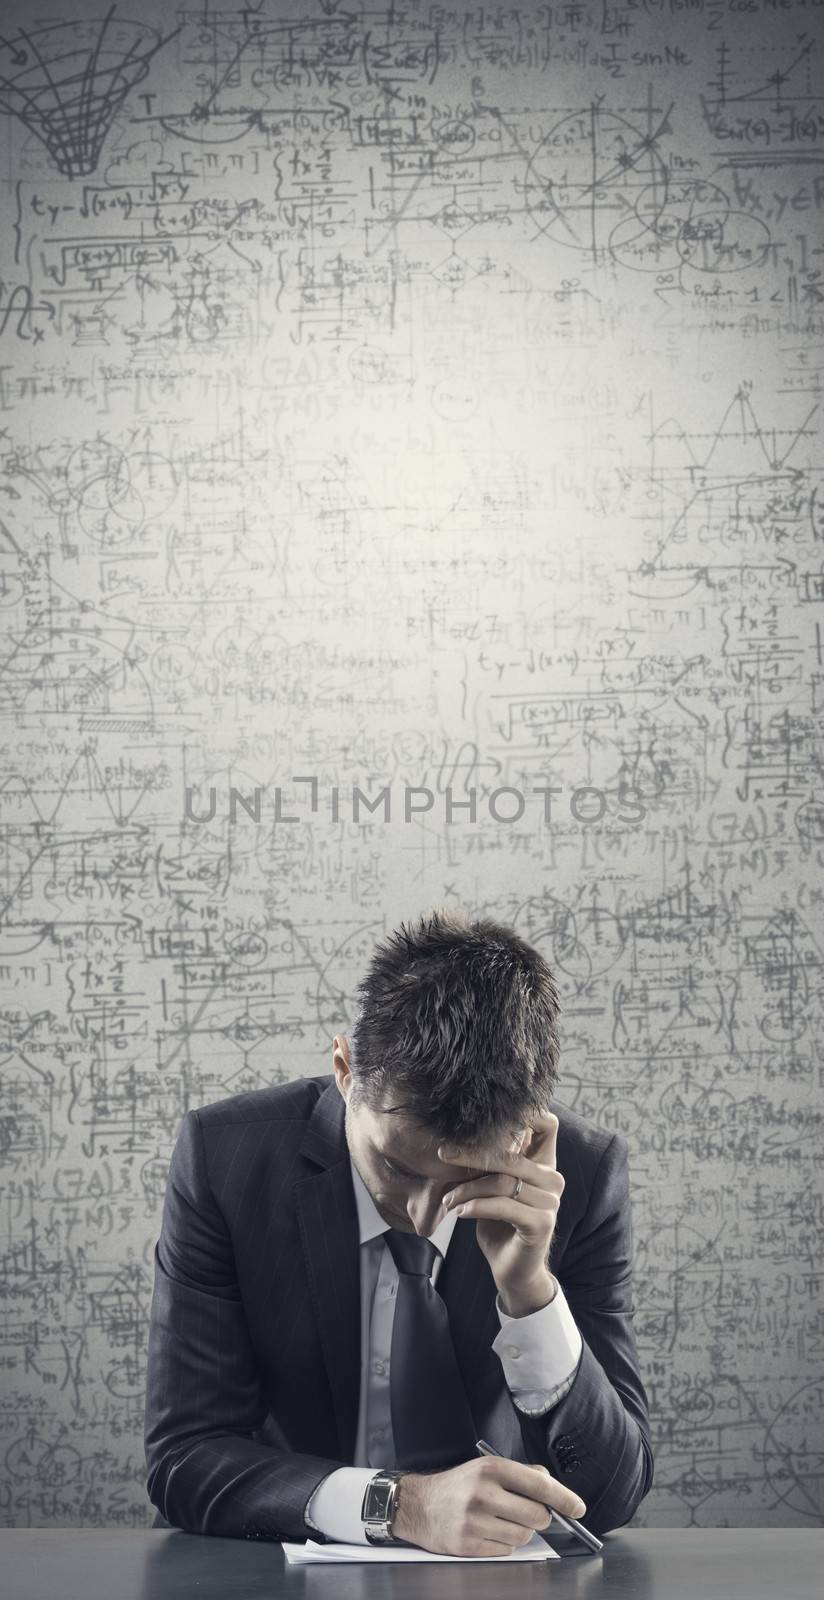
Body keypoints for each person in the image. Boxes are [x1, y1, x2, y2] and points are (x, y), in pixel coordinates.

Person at [144, 908, 653, 1553]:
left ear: (527, 1131)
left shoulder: (581, 1176)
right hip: (270, 1570)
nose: (423, 1216)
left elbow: (610, 1498)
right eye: (394, 1166)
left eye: (462, 1180)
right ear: (344, 1068)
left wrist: (531, 1292)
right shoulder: (225, 1161)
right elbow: (184, 1458)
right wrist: (398, 1505)